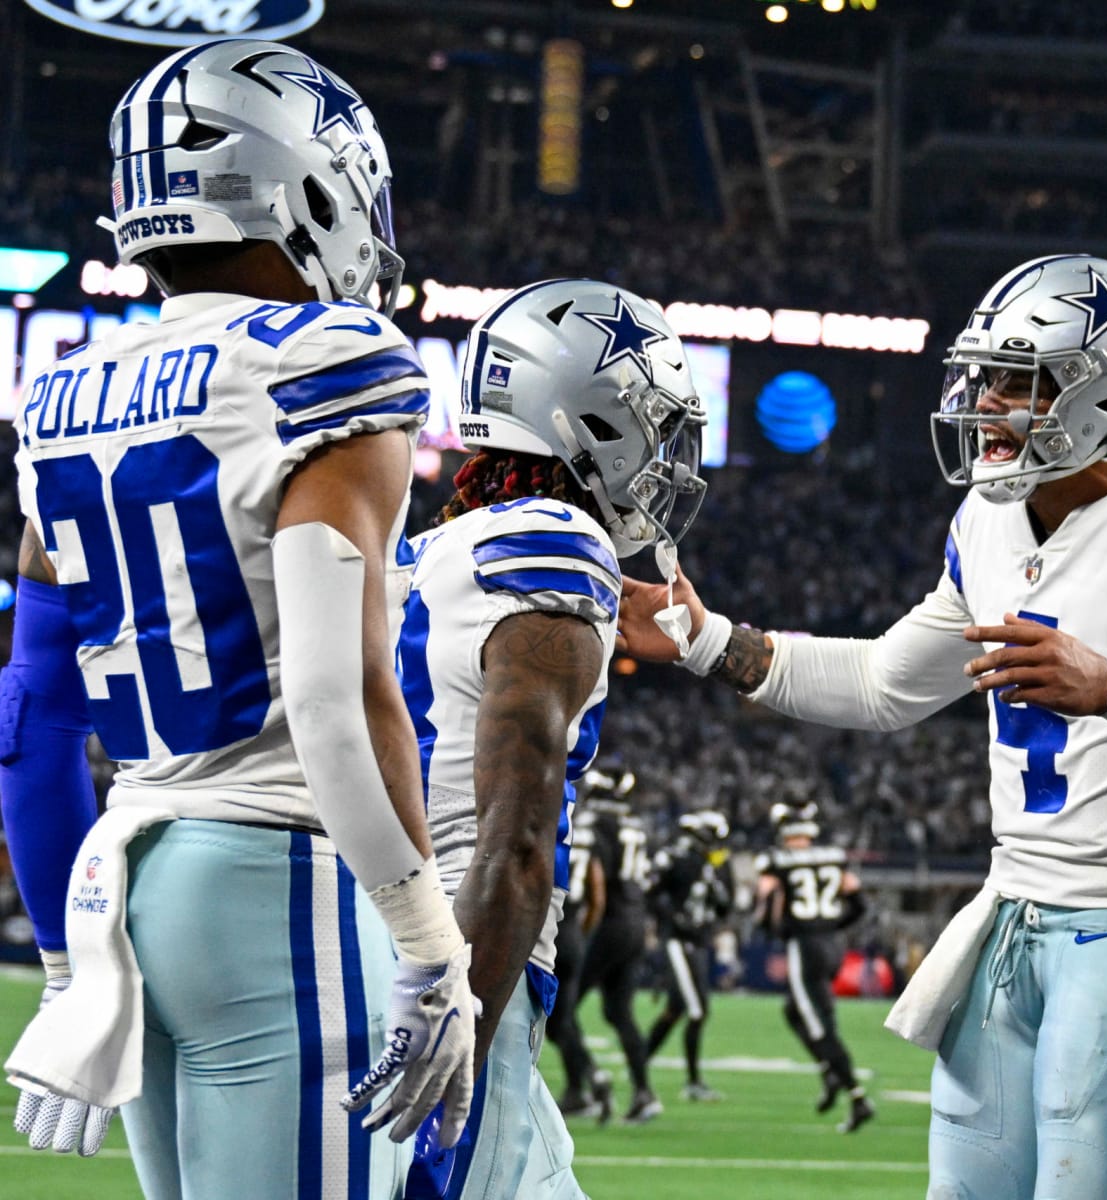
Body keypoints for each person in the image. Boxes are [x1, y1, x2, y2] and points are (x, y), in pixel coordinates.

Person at [1, 40, 478, 1199]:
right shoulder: (325, 361)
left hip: (132, 880)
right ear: (304, 186)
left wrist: (69, 961)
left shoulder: (62, 394)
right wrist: (428, 947)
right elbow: (334, 698)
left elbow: (31, 713)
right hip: (284, 879)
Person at [618, 253, 1107, 1199]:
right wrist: (704, 640)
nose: (987, 400)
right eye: (987, 374)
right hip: (1012, 917)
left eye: (1020, 380)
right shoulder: (989, 522)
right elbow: (887, 683)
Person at [395, 277, 707, 1196]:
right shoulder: (554, 548)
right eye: (650, 424)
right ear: (584, 419)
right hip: (471, 948)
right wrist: (460, 1022)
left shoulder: (434, 549)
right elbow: (517, 841)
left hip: (410, 925)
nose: (663, 455)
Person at [755, 800, 874, 1133]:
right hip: (832, 946)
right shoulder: (832, 856)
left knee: (821, 1026)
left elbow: (766, 909)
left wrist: (778, 930)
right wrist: (831, 927)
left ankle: (856, 1095)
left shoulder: (776, 860)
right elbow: (860, 904)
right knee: (794, 1013)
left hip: (805, 947)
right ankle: (828, 1070)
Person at [574, 764, 660, 1124]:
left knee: (562, 1008)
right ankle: (644, 1093)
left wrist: (585, 927)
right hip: (636, 921)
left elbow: (596, 881)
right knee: (619, 1012)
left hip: (610, 923)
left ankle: (584, 1086)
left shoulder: (597, 822)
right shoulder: (634, 824)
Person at [643, 809, 734, 1102]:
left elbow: (723, 906)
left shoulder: (708, 864)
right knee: (697, 1011)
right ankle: (693, 1082)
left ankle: (639, 1061)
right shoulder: (677, 857)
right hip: (679, 940)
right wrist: (672, 917)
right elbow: (651, 891)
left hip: (696, 940)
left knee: (676, 1010)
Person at [547, 796, 612, 1121]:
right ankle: (584, 1083)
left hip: (546, 932)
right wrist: (583, 932)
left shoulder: (543, 822)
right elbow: (597, 894)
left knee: (553, 1023)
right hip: (572, 932)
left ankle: (584, 1082)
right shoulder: (586, 836)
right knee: (564, 1020)